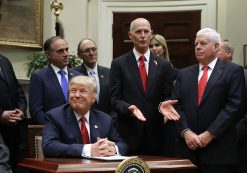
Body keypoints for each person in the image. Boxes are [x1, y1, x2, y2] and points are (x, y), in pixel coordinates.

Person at [159, 28, 245, 173]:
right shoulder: (184, 74)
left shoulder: (233, 71)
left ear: (216, 47)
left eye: (203, 43)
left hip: (219, 152)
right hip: (187, 151)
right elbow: (175, 106)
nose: (197, 47)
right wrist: (186, 132)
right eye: (196, 44)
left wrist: (210, 134)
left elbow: (234, 107)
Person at [110, 18, 175, 156]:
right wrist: (129, 108)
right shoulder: (118, 64)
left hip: (157, 135)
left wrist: (163, 106)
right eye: (138, 31)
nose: (143, 35)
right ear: (130, 35)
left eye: (146, 31)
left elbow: (167, 95)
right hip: (129, 133)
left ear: (151, 34)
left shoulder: (163, 65)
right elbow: (114, 99)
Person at [42, 75, 128, 157]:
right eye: (73, 91)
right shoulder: (54, 116)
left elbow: (122, 145)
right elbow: (49, 147)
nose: (77, 95)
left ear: (93, 98)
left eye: (82, 91)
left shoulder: (105, 119)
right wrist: (88, 149)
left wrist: (113, 149)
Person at [29, 36, 80, 124]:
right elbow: (36, 111)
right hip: (53, 130)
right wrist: (52, 128)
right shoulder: (39, 77)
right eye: (60, 51)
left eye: (66, 49)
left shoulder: (78, 76)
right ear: (49, 55)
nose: (66, 54)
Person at [0, 54, 27, 173]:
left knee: (12, 165)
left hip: (13, 127)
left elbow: (17, 89)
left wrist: (21, 110)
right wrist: (0, 115)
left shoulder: (4, 60)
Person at [73, 38, 111, 114]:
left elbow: (114, 99)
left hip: (107, 120)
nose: (91, 53)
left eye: (93, 49)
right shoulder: (74, 74)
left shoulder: (109, 72)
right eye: (87, 50)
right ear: (79, 55)